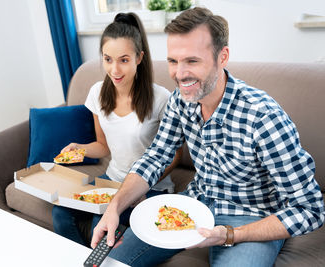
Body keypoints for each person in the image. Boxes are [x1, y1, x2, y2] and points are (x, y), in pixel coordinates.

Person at [91, 7, 325, 267]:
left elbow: (310, 210)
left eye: (192, 61)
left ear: (222, 57)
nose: (179, 74)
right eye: (173, 61)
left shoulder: (264, 118)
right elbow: (156, 157)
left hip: (251, 217)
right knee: (108, 262)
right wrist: (115, 207)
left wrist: (230, 235)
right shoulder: (180, 101)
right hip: (194, 204)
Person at [52, 12, 182, 247]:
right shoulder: (97, 93)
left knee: (99, 229)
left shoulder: (161, 98)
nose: (115, 70)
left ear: (139, 58)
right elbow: (102, 146)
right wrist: (79, 149)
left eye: (123, 60)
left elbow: (174, 155)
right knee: (60, 213)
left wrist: (142, 185)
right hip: (111, 179)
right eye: (107, 59)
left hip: (152, 187)